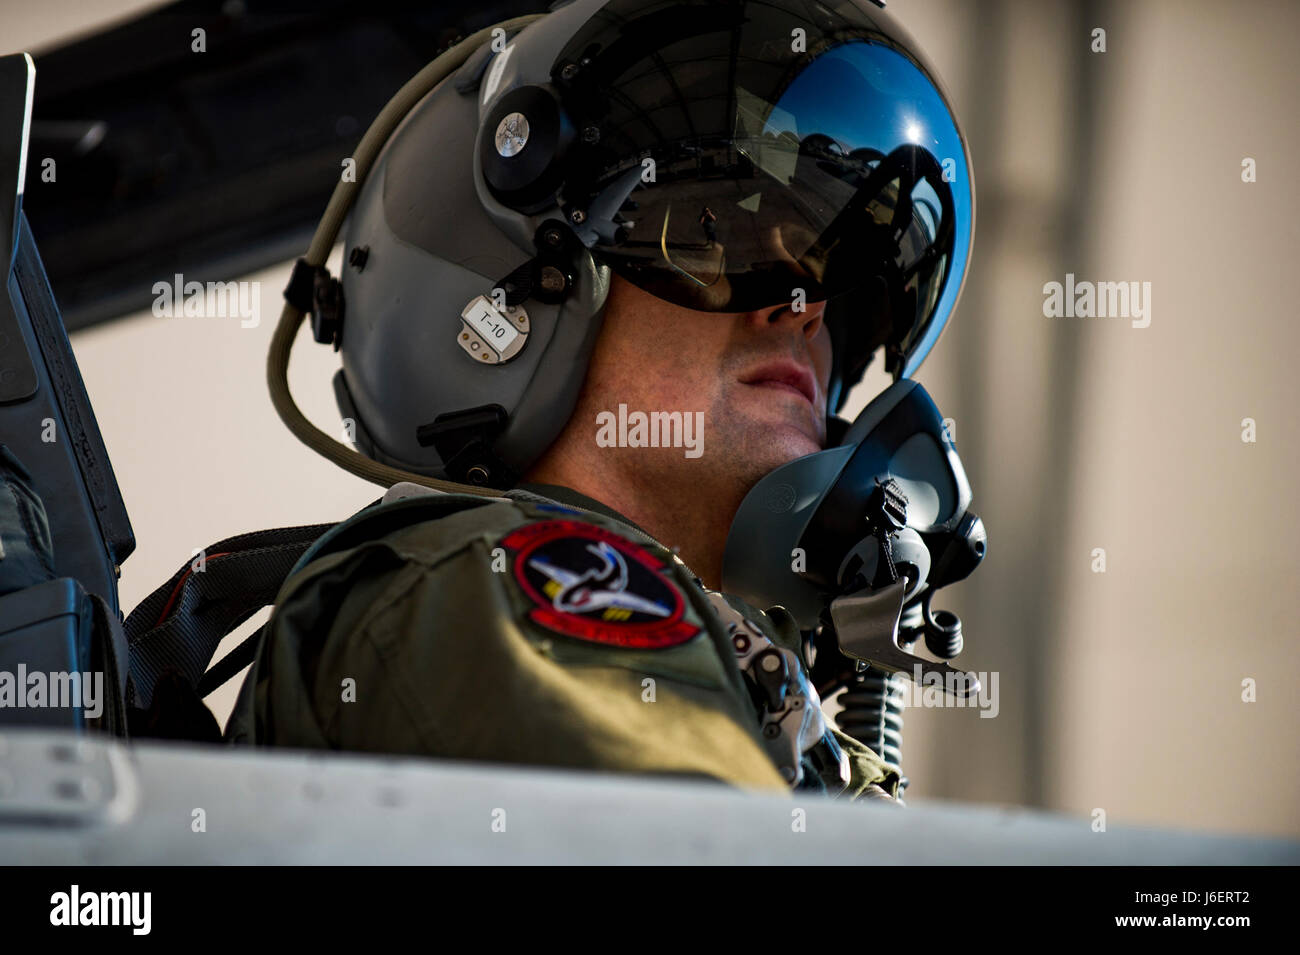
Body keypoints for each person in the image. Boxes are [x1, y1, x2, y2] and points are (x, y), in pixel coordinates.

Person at [229, 0, 976, 806]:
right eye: (722, 237)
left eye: (834, 289)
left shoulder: (750, 687)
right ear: (516, 289)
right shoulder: (487, 585)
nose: (805, 307)